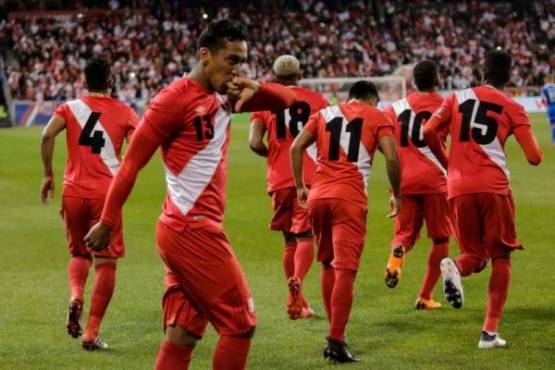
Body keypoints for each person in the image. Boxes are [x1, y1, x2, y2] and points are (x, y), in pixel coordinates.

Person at [84, 19, 296, 370]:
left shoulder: (227, 95)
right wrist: (107, 221)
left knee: (183, 332)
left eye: (242, 60)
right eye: (231, 59)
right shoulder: (172, 100)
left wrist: (257, 86)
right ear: (205, 56)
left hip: (185, 227)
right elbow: (131, 164)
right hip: (191, 229)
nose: (237, 68)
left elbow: (287, 100)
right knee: (241, 326)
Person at [424, 49, 543, 349]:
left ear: (481, 72)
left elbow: (427, 131)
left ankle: (455, 267)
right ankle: (489, 333)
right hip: (493, 187)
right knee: (501, 256)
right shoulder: (514, 107)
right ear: (508, 76)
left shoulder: (455, 98)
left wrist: (448, 162)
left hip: (458, 187)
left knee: (475, 256)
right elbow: (534, 158)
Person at [290, 81, 401, 362]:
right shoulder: (378, 116)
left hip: (317, 196)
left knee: (327, 263)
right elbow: (392, 157)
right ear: (372, 99)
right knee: (346, 270)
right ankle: (336, 342)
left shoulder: (325, 113)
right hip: (348, 199)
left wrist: (300, 187)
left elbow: (296, 147)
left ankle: (334, 331)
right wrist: (396, 195)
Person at [40, 58, 138, 350]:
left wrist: (48, 174)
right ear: (110, 82)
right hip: (106, 195)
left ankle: (75, 296)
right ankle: (91, 332)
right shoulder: (125, 111)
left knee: (79, 253)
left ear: (84, 82)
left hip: (72, 192)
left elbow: (46, 134)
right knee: (106, 263)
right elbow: (139, 147)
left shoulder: (70, 108)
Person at [249, 55, 328, 319]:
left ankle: (299, 302)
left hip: (279, 179)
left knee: (288, 239)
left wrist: (274, 156)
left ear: (274, 75)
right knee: (306, 236)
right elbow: (329, 139)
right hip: (308, 176)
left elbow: (254, 142)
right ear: (300, 73)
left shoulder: (265, 101)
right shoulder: (317, 100)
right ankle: (298, 284)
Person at [383, 60, 451, 310]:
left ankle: (396, 257)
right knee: (441, 238)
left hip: (404, 180)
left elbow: (387, 147)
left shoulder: (395, 108)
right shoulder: (448, 105)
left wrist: (394, 188)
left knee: (403, 234)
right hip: (436, 180)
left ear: (412, 82)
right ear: (438, 80)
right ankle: (425, 296)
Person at [540, 73, 555, 146]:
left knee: (553, 125)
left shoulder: (544, 88)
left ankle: (554, 142)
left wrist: (546, 106)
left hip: (551, 107)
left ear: (547, 79)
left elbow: (543, 100)